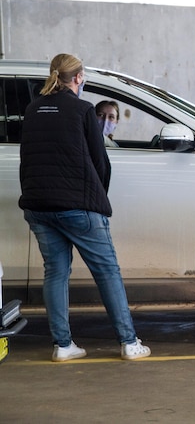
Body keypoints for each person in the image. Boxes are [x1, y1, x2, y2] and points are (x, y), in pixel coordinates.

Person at [19, 53, 151, 362]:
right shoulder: (82, 110)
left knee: (55, 273)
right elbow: (100, 162)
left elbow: (29, 158)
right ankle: (129, 342)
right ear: (78, 78)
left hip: (38, 206)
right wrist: (97, 199)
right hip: (79, 206)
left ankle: (63, 346)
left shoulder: (33, 109)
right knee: (107, 272)